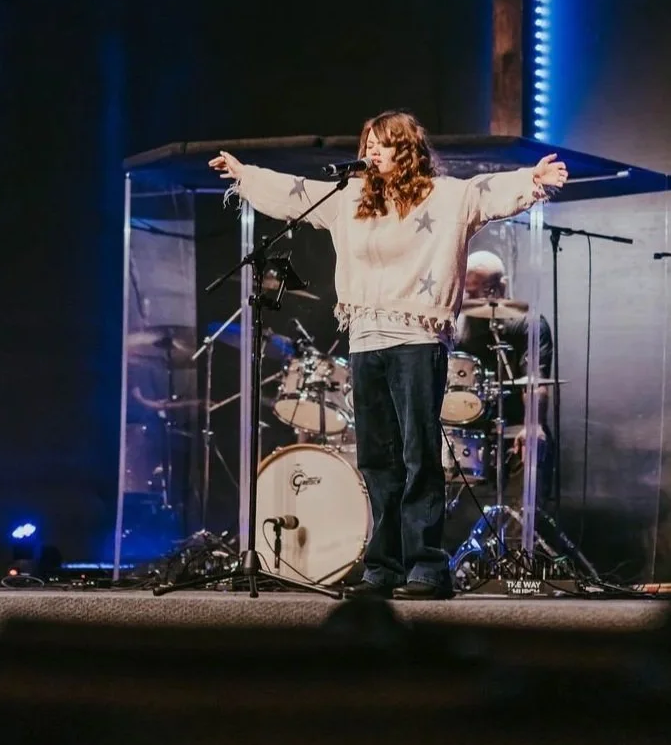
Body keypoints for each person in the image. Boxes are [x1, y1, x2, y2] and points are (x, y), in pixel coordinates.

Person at [209, 111, 567, 599]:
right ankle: (383, 568)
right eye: (368, 144)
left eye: (382, 143)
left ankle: (427, 567)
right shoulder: (350, 198)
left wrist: (533, 179)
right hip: (365, 341)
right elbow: (298, 192)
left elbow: (488, 191)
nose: (371, 151)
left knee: (419, 454)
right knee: (377, 459)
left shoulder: (446, 197)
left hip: (418, 339)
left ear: (408, 148)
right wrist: (245, 175)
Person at [454, 249, 554, 495]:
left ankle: (520, 517)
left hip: (514, 425)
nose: (470, 297)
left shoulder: (529, 324)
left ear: (500, 287)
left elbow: (536, 382)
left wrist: (533, 425)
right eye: (467, 290)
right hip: (464, 426)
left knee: (532, 446)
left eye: (478, 291)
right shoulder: (455, 326)